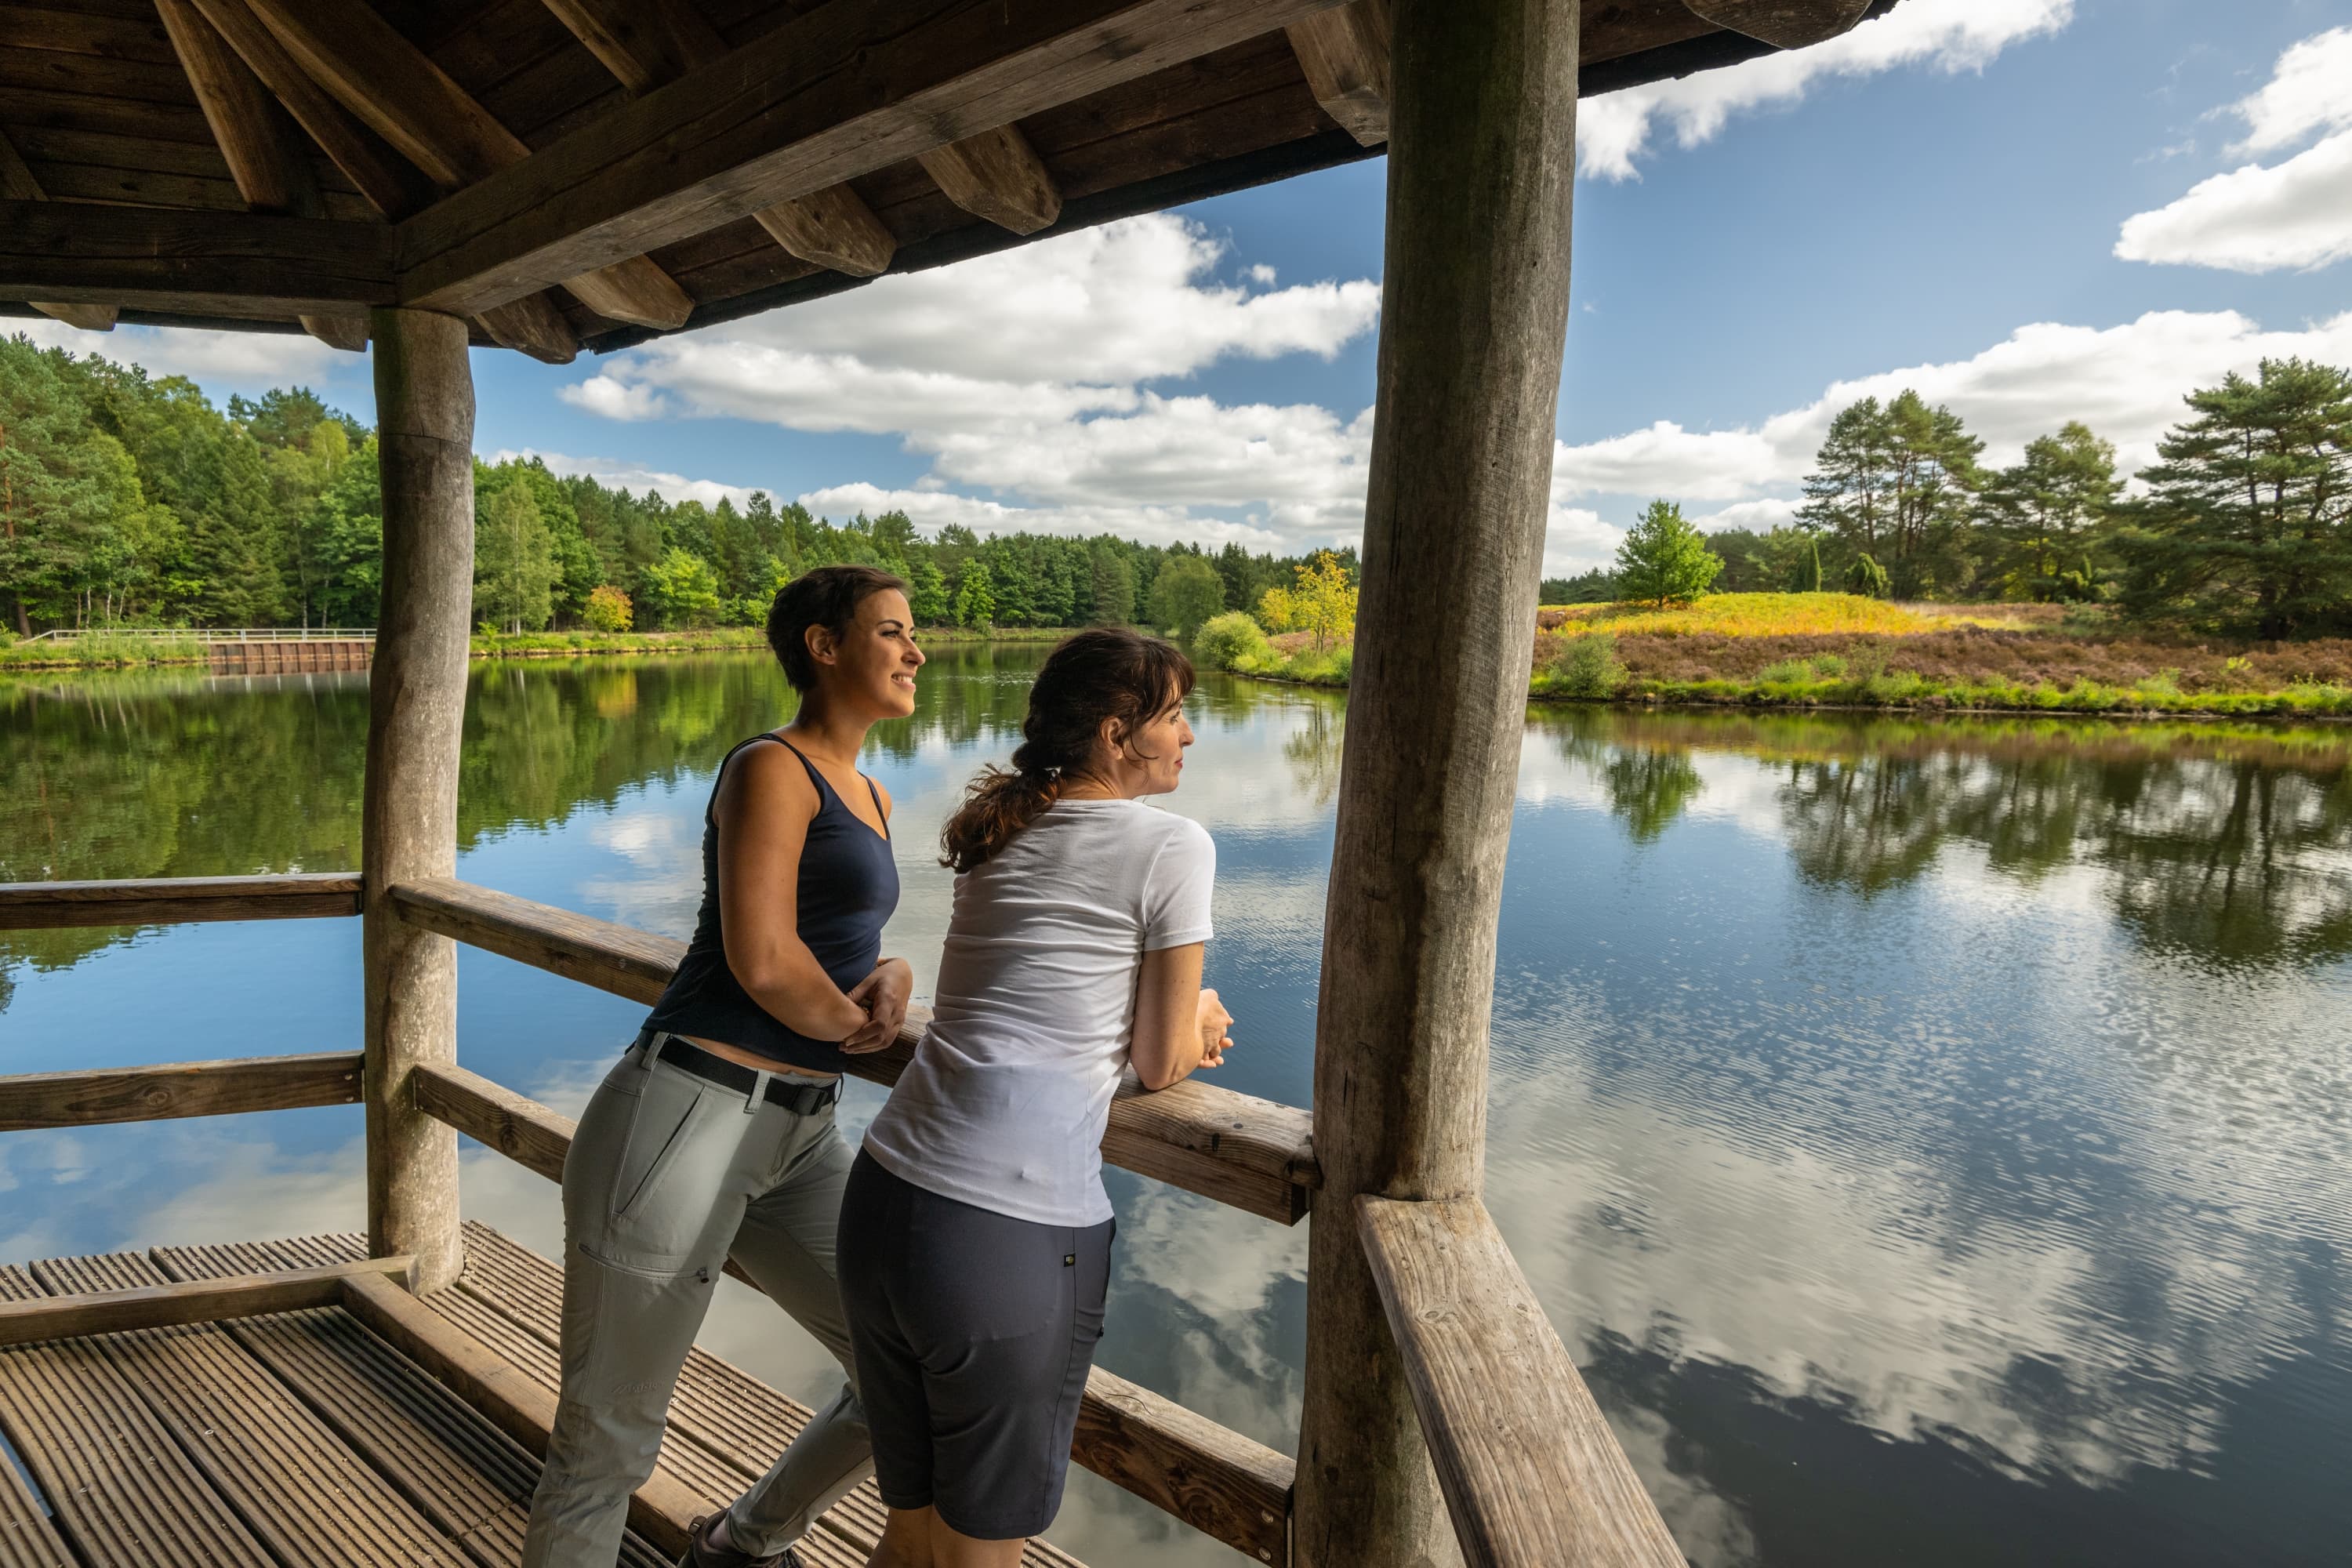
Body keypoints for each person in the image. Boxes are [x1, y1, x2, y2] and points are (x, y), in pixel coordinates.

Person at [521, 565, 924, 1568]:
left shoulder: (870, 790)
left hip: (800, 1131)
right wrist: (857, 1026)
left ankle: (744, 1542)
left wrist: (892, 969)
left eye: (915, 632)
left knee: (907, 1365)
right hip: (684, 1114)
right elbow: (761, 956)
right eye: (892, 632)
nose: (917, 650)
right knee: (607, 1442)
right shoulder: (769, 767)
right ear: (824, 647)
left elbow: (828, 937)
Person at [838, 629, 1235, 1568]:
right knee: (979, 1556)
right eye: (1174, 716)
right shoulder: (1173, 845)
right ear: (1116, 732)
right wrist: (1204, 1017)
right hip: (1002, 1236)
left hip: (886, 1199)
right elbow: (1162, 1057)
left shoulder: (1006, 831)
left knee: (911, 1536)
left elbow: (1041, 1006)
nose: (1189, 736)